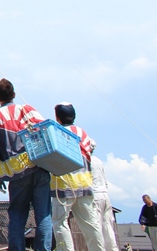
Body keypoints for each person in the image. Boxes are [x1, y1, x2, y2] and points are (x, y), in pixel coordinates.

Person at [0, 78, 51, 251]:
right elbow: (46, 131)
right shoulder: (27, 109)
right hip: (38, 165)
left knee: (17, 216)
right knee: (43, 215)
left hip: (16, 173)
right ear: (14, 94)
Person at [50, 103, 103, 251]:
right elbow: (92, 146)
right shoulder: (82, 132)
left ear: (57, 117)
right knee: (91, 224)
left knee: (60, 223)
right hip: (84, 183)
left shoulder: (55, 131)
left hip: (63, 185)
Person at [91, 158, 118, 251]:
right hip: (105, 194)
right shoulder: (98, 161)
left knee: (96, 226)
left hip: (95, 195)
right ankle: (113, 249)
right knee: (108, 226)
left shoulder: (85, 159)